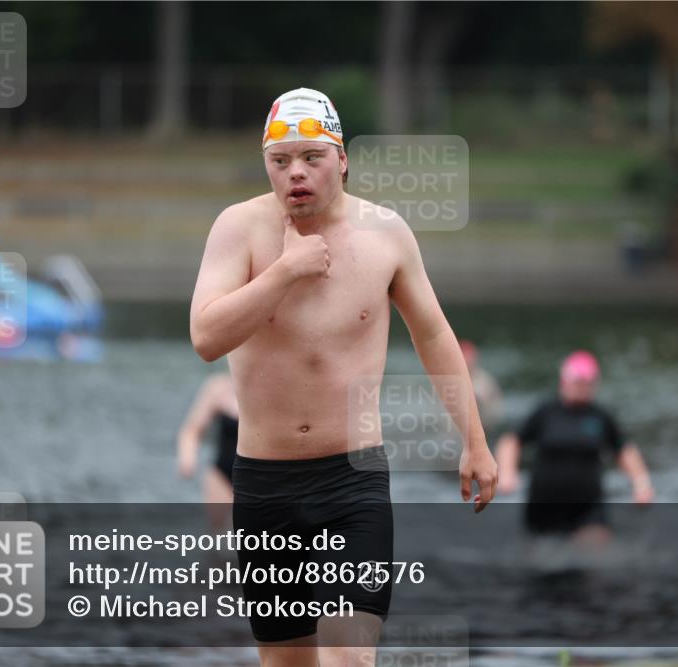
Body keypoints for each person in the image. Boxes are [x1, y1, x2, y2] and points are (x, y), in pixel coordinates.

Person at [189, 88, 497, 666]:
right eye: (280, 162)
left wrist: (475, 443)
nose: (295, 174)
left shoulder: (387, 234)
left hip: (351, 484)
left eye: (312, 158)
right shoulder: (238, 229)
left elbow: (434, 336)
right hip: (263, 485)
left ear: (343, 158)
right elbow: (206, 337)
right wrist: (284, 272)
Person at [496, 350, 653, 545]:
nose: (582, 388)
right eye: (577, 382)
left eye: (587, 384)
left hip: (587, 507)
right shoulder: (546, 412)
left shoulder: (600, 416)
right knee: (541, 564)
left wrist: (641, 483)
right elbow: (511, 442)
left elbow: (624, 450)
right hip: (543, 505)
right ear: (564, 381)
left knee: (592, 556)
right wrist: (507, 473)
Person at [176, 372, 240, 530]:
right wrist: (187, 457)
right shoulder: (219, 387)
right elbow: (192, 430)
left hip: (258, 476)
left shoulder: (268, 389)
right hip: (222, 474)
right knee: (218, 536)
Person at [458, 339, 504, 439]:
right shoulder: (447, 381)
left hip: (484, 428)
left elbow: (495, 409)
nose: (467, 362)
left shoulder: (485, 381)